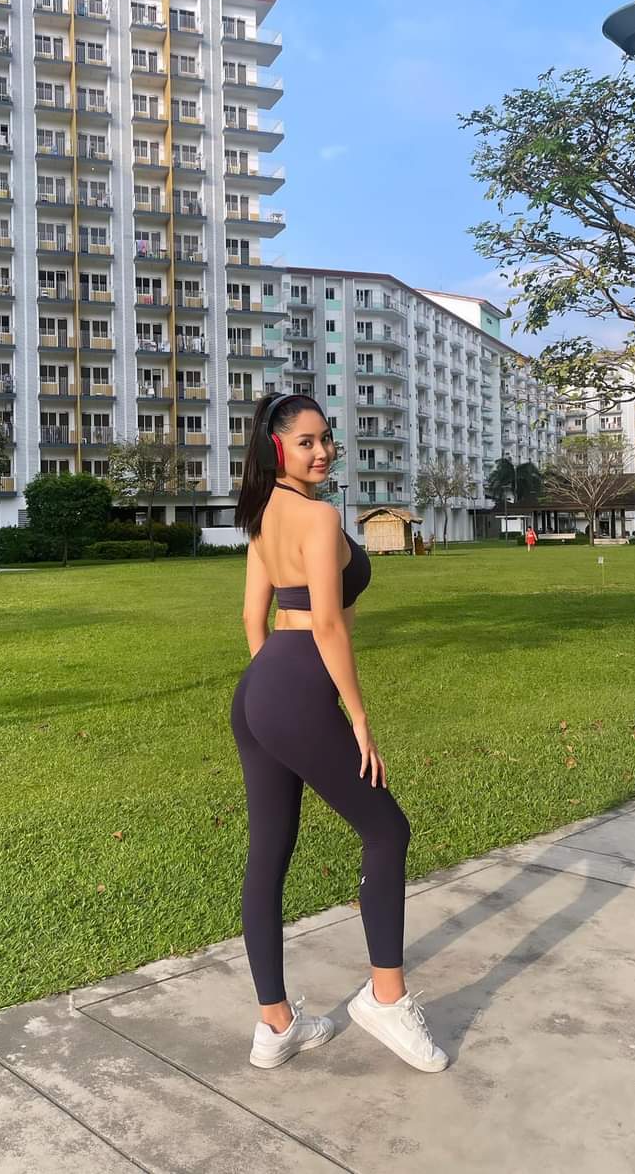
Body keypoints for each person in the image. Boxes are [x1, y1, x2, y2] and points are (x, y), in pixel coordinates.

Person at [230, 392, 448, 1073]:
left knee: (269, 853)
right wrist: (355, 717)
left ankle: (275, 1025)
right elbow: (326, 623)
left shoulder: (263, 515)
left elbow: (252, 620)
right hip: (295, 685)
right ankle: (385, 998)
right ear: (276, 448)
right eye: (306, 442)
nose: (322, 451)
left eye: (326, 438)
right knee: (387, 831)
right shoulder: (319, 517)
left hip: (260, 687)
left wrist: (270, 693)